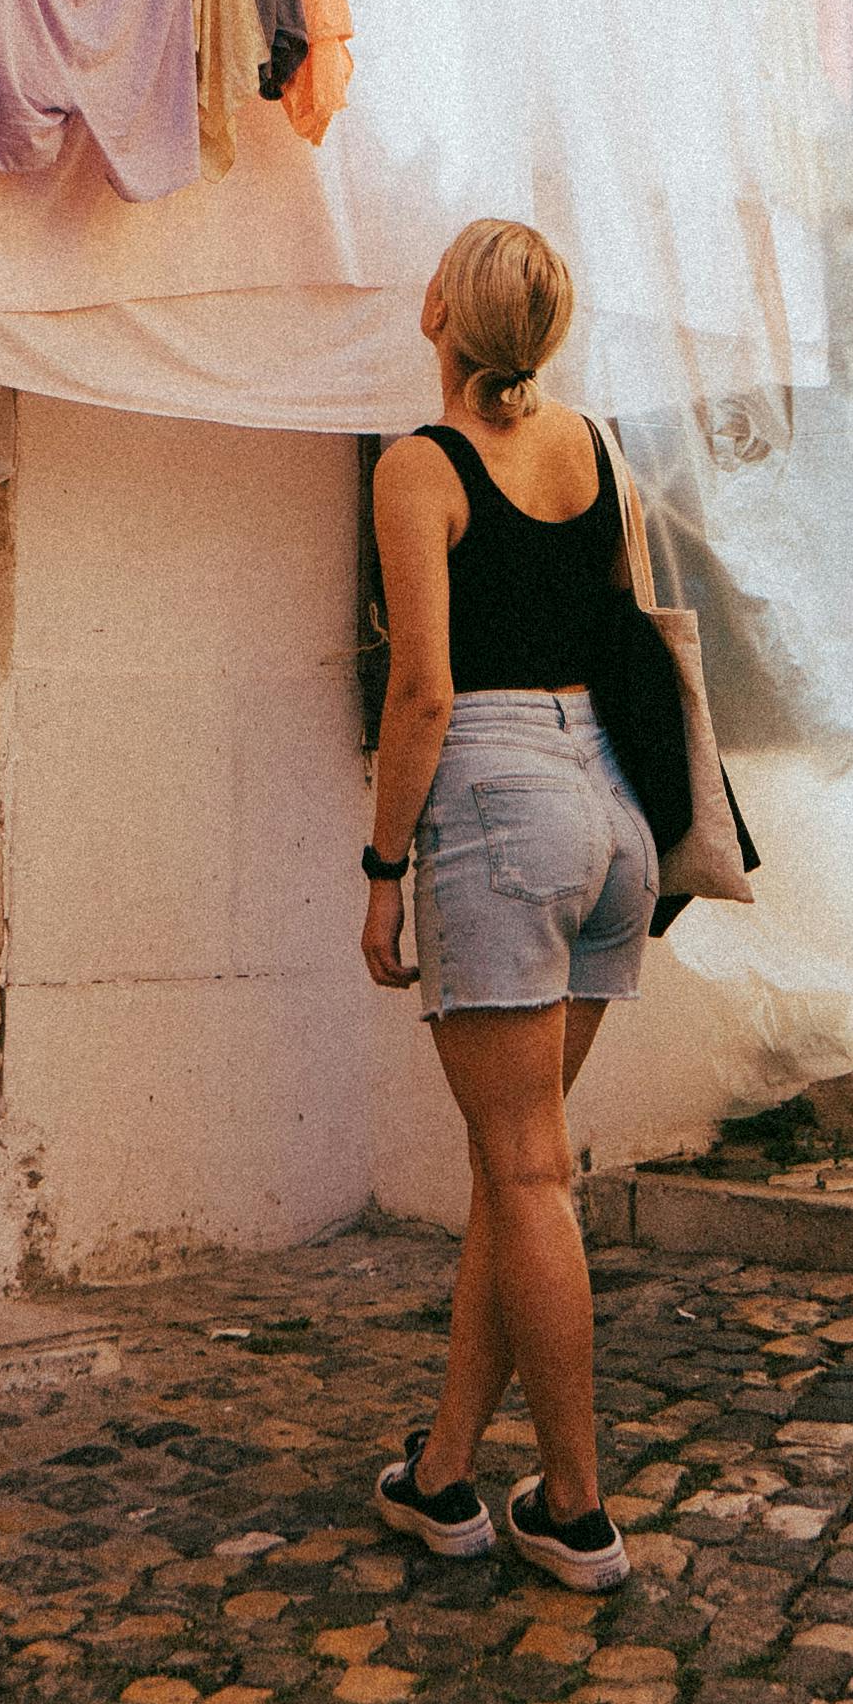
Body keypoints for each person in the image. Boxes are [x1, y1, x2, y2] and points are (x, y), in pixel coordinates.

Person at [359, 215, 656, 1590]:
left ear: (440, 311)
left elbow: (420, 691)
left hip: (494, 802)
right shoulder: (595, 452)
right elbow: (634, 636)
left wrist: (380, 873)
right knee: (513, 1161)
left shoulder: (421, 470)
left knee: (529, 1170)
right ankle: (444, 1475)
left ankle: (580, 1508)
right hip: (610, 810)